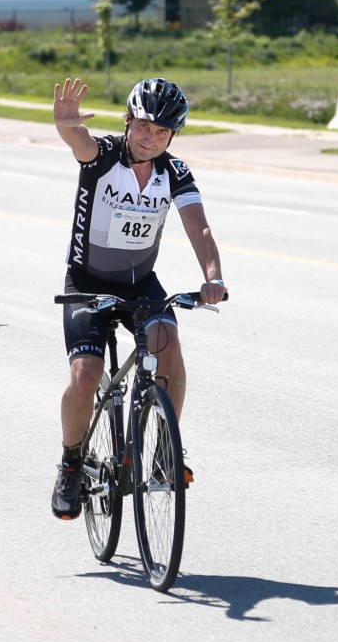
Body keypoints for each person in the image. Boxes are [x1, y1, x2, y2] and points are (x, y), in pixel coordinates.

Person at [49, 77, 227, 521]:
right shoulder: (105, 156)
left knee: (168, 340)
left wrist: (213, 276)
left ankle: (167, 448)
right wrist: (66, 126)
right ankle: (71, 465)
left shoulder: (175, 173)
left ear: (172, 137)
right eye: (144, 127)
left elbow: (198, 227)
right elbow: (80, 142)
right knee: (87, 374)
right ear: (128, 123)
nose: (151, 138)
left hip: (140, 282)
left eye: (162, 132)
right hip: (87, 282)